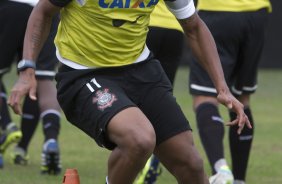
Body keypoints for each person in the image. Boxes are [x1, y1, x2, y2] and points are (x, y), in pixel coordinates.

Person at [8, 0, 251, 183]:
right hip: (84, 74)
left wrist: (222, 88)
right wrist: (27, 69)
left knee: (191, 164)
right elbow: (42, 11)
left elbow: (194, 27)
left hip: (141, 71)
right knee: (139, 139)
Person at [188, 0, 271, 183]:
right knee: (242, 98)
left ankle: (221, 169)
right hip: (256, 13)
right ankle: (239, 180)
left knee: (205, 97)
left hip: (216, 12)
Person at [0, 0, 62, 174]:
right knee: (43, 80)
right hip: (48, 9)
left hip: (10, 7)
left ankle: (7, 125)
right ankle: (46, 141)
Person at [135, 1, 185, 183]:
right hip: (175, 28)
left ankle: (145, 156)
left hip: (147, 24)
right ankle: (155, 158)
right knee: (161, 97)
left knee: (137, 97)